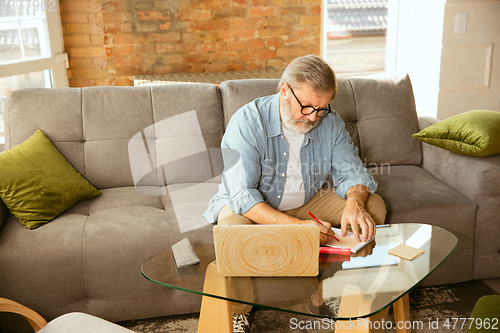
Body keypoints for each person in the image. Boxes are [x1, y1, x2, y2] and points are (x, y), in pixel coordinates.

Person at [203, 55, 387, 331]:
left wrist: (354, 202)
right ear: (284, 90)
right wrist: (301, 229)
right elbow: (242, 195)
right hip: (255, 206)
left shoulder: (330, 121)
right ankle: (239, 310)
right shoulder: (248, 121)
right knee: (232, 231)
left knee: (374, 206)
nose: (314, 116)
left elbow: (354, 173)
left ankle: (331, 291)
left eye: (322, 108)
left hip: (307, 199)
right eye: (307, 106)